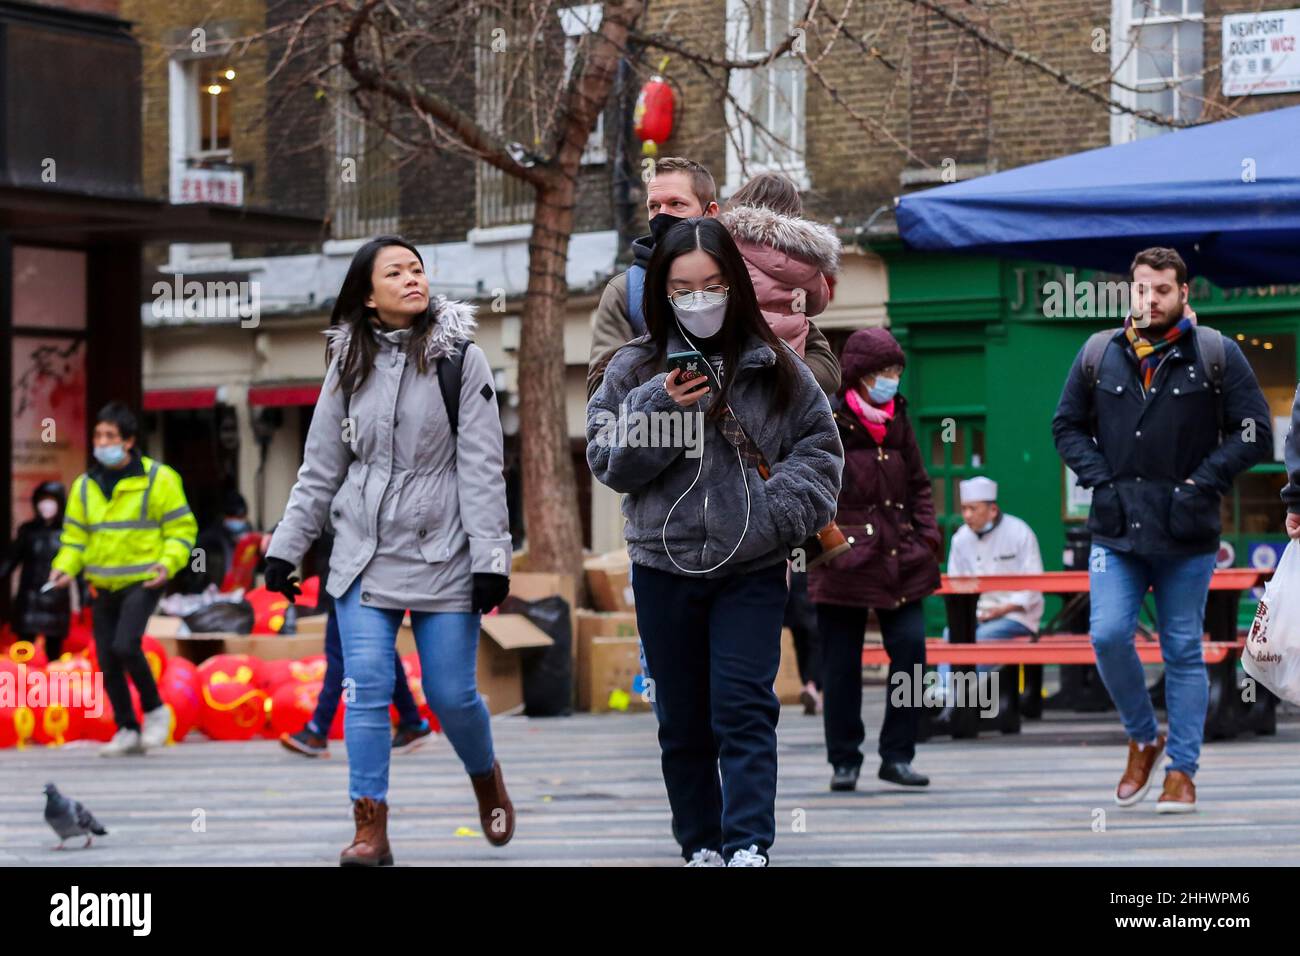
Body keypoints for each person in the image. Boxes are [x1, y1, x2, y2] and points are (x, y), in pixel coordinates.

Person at [587, 216, 842, 867]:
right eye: (683, 289)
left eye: (713, 285)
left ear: (735, 285)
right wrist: (663, 406)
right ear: (662, 294)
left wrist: (769, 515)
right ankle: (699, 842)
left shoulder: (775, 365)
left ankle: (749, 839)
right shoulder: (630, 369)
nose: (700, 300)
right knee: (682, 717)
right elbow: (610, 463)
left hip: (751, 567)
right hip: (662, 566)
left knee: (744, 704)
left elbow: (819, 452)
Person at [263, 235, 514, 866]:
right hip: (362, 553)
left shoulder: (462, 359)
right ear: (367, 295)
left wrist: (490, 560)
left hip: (446, 553)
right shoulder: (347, 363)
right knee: (366, 685)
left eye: (417, 269)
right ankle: (370, 828)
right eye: (395, 271)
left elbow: (483, 468)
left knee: (452, 695)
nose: (412, 278)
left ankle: (485, 776)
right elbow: (320, 466)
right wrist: (284, 550)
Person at [1053, 246, 1270, 814]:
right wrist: (1101, 478)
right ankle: (1143, 735)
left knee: (1181, 650)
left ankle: (1182, 771)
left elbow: (1253, 433)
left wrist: (1201, 483)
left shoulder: (1216, 353)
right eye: (1141, 289)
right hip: (1116, 528)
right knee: (1106, 635)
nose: (1149, 300)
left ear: (1184, 294)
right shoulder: (1099, 353)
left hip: (1187, 530)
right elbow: (1067, 426)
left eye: (1162, 290)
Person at [808, 328, 941, 792]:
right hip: (843, 559)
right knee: (840, 666)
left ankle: (897, 756)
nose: (892, 380)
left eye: (897, 372)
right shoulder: (829, 418)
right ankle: (844, 760)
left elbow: (920, 485)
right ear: (860, 375)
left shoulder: (898, 417)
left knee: (911, 654)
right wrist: (827, 546)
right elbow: (811, 486)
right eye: (885, 372)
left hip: (902, 557)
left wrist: (927, 538)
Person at [586, 156, 841, 398]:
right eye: (654, 206)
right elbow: (602, 393)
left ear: (711, 214)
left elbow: (823, 363)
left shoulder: (737, 275)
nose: (663, 215)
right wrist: (673, 387)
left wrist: (767, 382)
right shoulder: (627, 290)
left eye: (676, 204)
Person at [48, 402, 198, 756]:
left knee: (125, 645)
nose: (102, 442)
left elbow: (181, 530)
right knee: (106, 659)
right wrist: (64, 567)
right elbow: (75, 539)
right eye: (99, 436)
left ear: (129, 440)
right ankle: (127, 728)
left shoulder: (160, 479)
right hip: (101, 584)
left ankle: (155, 710)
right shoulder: (85, 486)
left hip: (144, 580)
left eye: (110, 436)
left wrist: (168, 563)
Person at [280, 533, 432, 757]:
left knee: (340, 657)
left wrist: (279, 541)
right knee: (383, 651)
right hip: (361, 579)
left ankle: (318, 730)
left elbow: (313, 507)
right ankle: (412, 722)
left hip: (350, 581)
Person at [718, 171, 839, 375]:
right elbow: (818, 304)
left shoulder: (727, 250)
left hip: (741, 361)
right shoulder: (807, 256)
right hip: (794, 363)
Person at [1, 481, 72, 660]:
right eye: (43, 500)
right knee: (23, 653)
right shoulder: (28, 531)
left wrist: (87, 595)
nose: (46, 505)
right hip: (29, 599)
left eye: (51, 500)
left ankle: (51, 687)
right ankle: (20, 685)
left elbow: (75, 567)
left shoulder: (68, 533)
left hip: (56, 599)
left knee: (53, 654)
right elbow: (10, 560)